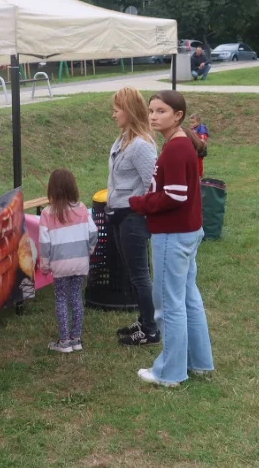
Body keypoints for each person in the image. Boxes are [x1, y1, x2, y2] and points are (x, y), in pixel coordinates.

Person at [129, 90, 214, 387]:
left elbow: (176, 195)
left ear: (178, 116)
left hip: (173, 234)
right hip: (187, 231)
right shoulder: (178, 143)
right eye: (151, 110)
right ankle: (199, 362)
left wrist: (140, 203)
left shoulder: (176, 148)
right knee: (189, 298)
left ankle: (170, 372)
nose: (153, 116)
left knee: (168, 304)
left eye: (161, 111)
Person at [108, 87, 161, 347]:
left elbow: (154, 183)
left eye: (117, 109)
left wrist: (137, 207)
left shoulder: (141, 145)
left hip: (133, 218)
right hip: (120, 215)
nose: (114, 114)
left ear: (129, 111)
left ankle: (150, 330)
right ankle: (144, 320)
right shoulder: (123, 140)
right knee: (134, 273)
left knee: (140, 275)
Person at [38, 169, 98, 354]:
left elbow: (44, 243)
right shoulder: (81, 209)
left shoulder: (47, 214)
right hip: (80, 263)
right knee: (76, 298)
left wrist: (45, 265)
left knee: (62, 299)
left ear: (51, 190)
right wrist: (88, 251)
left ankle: (64, 342)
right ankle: (76, 339)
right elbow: (93, 233)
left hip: (60, 265)